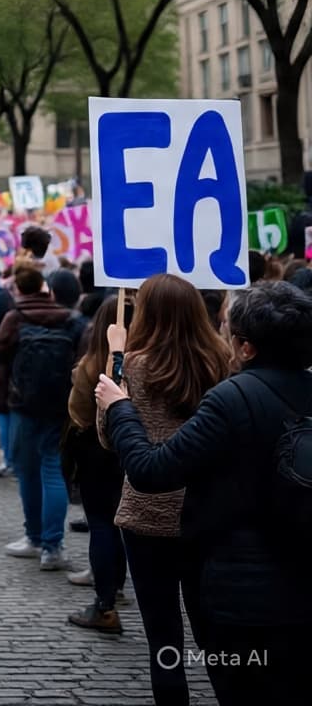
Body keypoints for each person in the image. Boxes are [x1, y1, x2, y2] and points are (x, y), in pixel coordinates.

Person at [99, 280, 312, 706]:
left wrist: (117, 390)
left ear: (247, 346)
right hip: (268, 553)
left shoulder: (229, 393)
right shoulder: (222, 365)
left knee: (170, 636)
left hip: (177, 527)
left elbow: (136, 459)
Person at [95, 274, 233, 706]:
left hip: (146, 512)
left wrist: (115, 353)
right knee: (212, 628)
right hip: (204, 510)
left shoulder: (134, 364)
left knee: (164, 633)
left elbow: (106, 433)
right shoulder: (222, 360)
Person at [0, 262, 85, 569]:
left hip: (23, 404)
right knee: (54, 470)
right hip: (60, 405)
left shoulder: (16, 317)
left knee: (28, 472)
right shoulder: (73, 320)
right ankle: (53, 548)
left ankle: (33, 537)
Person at [64, 294, 130, 634]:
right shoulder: (157, 364)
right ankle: (115, 585)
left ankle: (105, 602)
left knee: (103, 524)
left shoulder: (91, 367)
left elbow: (78, 414)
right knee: (119, 524)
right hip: (134, 453)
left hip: (99, 454)